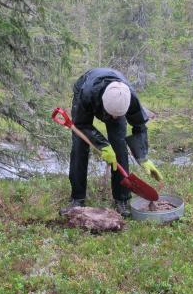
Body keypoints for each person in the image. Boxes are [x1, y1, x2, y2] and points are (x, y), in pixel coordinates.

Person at [59, 68, 162, 217]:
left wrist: (143, 157)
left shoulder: (129, 97)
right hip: (86, 92)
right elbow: (81, 125)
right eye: (111, 115)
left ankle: (122, 199)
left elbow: (139, 126)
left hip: (115, 102)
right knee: (79, 146)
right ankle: (77, 199)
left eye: (117, 115)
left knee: (119, 146)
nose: (113, 118)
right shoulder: (87, 94)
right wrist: (103, 145)